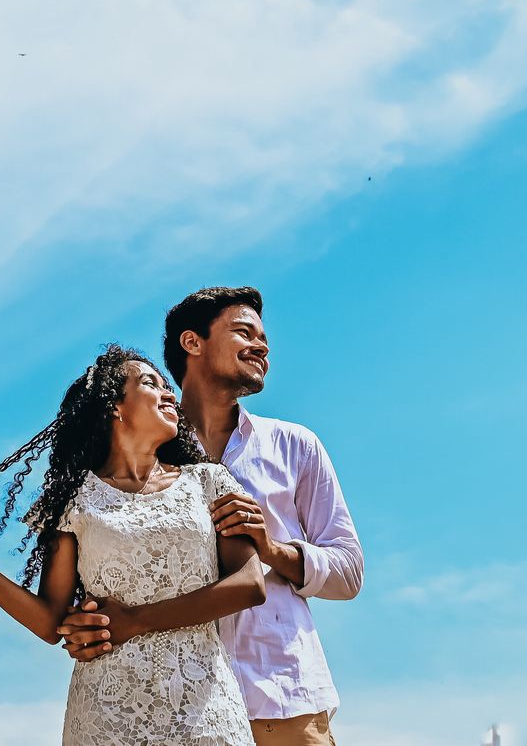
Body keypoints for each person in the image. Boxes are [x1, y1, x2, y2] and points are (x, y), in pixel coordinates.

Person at [58, 287, 363, 745]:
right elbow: (94, 566)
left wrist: (271, 549)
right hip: (170, 710)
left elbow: (348, 572)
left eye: (264, 338)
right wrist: (79, 622)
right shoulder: (131, 448)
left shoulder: (295, 447)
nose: (262, 346)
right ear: (192, 343)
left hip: (281, 700)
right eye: (244, 332)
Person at [0, 344, 265, 746]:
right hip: (106, 716)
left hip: (204, 713)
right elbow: (49, 622)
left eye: (166, 385)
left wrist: (136, 621)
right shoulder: (74, 502)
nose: (169, 393)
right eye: (150, 384)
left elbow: (250, 584)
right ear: (114, 407)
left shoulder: (209, 482)